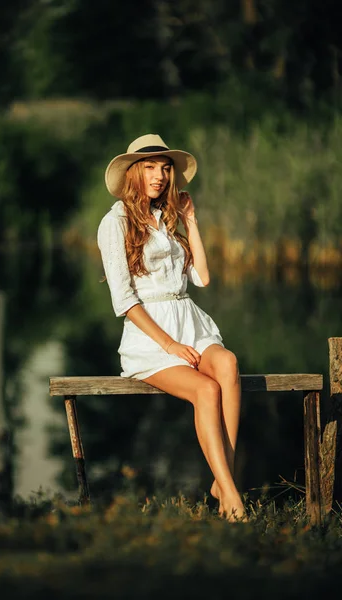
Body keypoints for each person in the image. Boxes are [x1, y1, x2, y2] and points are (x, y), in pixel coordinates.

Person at [97, 134, 245, 521]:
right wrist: (170, 345)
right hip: (151, 338)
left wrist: (191, 219)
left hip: (191, 323)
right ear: (133, 172)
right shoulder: (114, 223)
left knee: (227, 364)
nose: (160, 175)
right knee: (205, 389)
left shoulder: (168, 219)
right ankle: (231, 496)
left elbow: (203, 278)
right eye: (150, 167)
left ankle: (221, 480)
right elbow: (124, 301)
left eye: (165, 168)